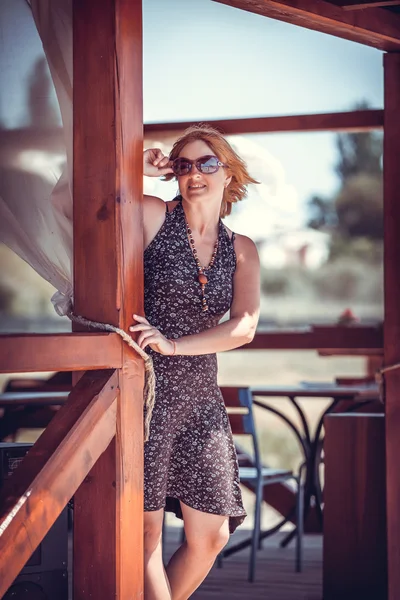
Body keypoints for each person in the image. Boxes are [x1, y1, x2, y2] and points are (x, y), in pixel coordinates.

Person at [129, 124, 260, 600]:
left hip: (201, 399)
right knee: (142, 536)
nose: (195, 174)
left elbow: (244, 327)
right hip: (145, 394)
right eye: (184, 165)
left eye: (207, 163)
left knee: (211, 535)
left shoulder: (241, 248)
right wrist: (132, 169)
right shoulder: (150, 215)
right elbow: (74, 204)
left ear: (229, 173)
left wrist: (175, 344)